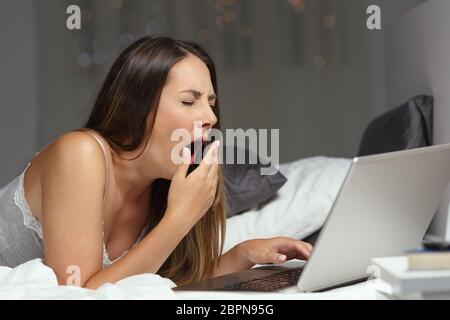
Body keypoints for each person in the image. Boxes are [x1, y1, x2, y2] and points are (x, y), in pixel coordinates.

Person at [0, 36, 312, 289]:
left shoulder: (162, 186)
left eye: (211, 103)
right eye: (189, 101)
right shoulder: (79, 154)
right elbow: (81, 295)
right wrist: (179, 218)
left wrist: (243, 254)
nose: (211, 118)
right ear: (138, 108)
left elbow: (159, 281)